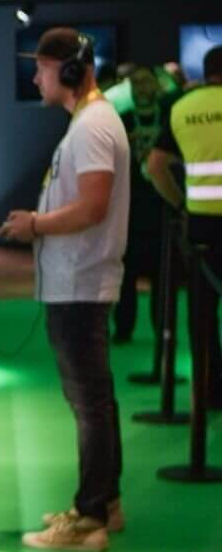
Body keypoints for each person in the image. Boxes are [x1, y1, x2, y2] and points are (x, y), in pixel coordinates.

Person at [0, 28, 130, 552]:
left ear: (69, 71)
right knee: (94, 398)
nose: (36, 78)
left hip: (80, 281)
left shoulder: (93, 126)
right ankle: (105, 504)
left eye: (42, 68)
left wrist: (36, 224)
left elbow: (93, 206)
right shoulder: (89, 123)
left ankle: (90, 517)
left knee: (89, 402)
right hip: (77, 279)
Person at [147, 44, 222, 411]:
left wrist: (179, 204)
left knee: (202, 313)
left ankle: (211, 390)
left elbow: (155, 166)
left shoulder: (183, 108)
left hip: (202, 224)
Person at [113, 66, 174, 345]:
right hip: (130, 206)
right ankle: (123, 328)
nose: (141, 88)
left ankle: (163, 329)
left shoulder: (169, 120)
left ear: (156, 85)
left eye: (146, 82)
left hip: (162, 206)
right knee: (125, 274)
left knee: (163, 274)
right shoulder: (121, 120)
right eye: (135, 83)